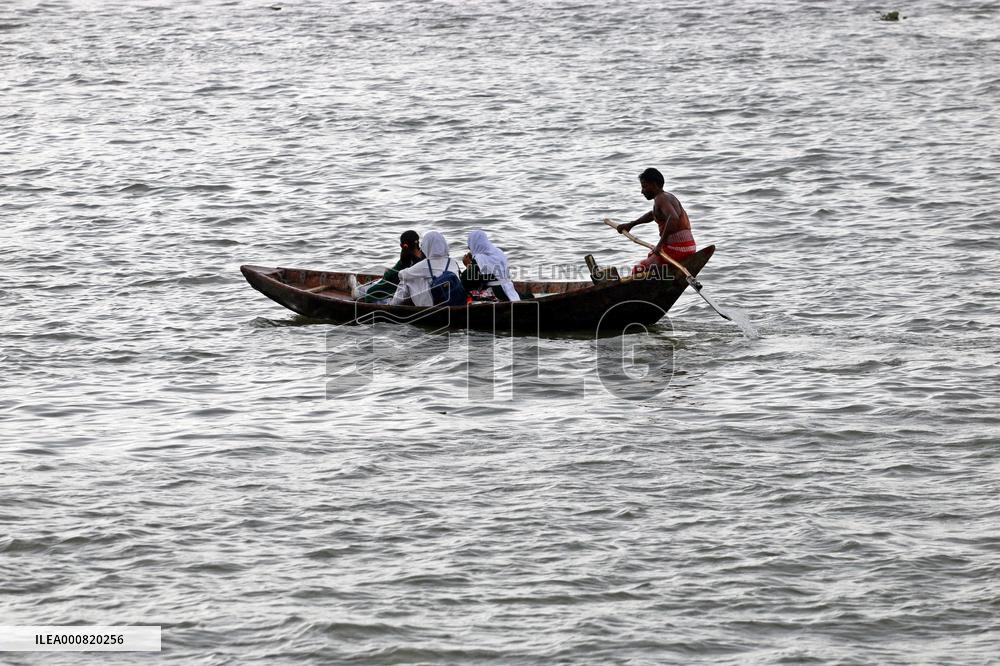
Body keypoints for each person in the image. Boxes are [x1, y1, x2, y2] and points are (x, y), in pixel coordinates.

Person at [616, 168, 697, 275]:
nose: (642, 191)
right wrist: (631, 224)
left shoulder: (661, 198)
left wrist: (659, 245)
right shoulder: (666, 197)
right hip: (689, 246)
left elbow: (673, 219)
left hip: (678, 248)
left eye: (644, 186)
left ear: (654, 185)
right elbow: (653, 215)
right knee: (651, 260)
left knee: (638, 270)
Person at [390, 231, 464, 306]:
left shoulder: (425, 264)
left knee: (407, 280)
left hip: (435, 304)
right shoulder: (453, 262)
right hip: (456, 300)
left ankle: (392, 305)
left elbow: (402, 275)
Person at [350, 230, 424, 302]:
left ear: (403, 246)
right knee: (378, 282)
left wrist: (388, 272)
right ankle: (359, 288)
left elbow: (392, 275)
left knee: (370, 289)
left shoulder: (406, 258)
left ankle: (357, 289)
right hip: (413, 289)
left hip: (395, 289)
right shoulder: (424, 256)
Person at [460, 230, 520, 302]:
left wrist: (468, 265)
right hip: (510, 289)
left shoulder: (479, 258)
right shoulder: (499, 252)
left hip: (497, 293)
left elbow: (466, 280)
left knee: (465, 292)